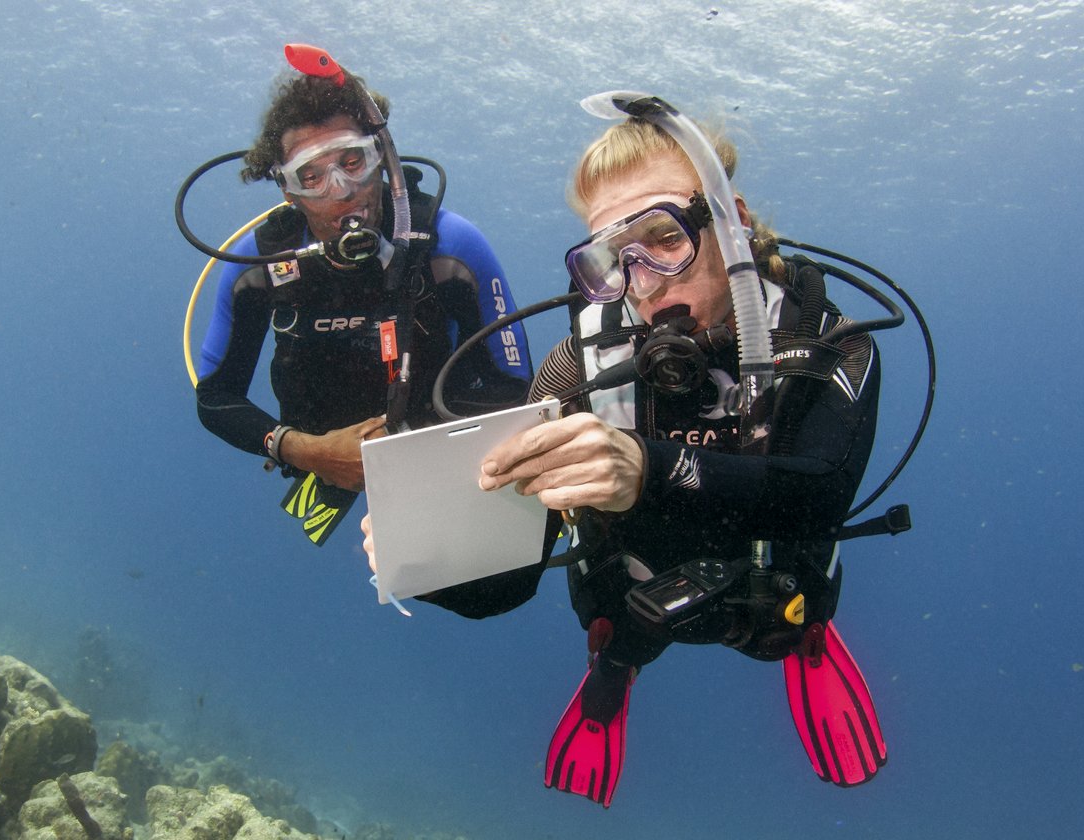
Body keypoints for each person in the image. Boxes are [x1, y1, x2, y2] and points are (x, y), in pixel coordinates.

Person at [363, 108, 890, 806]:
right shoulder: (574, 367)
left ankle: (810, 649)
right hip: (634, 599)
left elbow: (823, 493)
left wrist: (650, 466)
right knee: (618, 627)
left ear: (729, 222)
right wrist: (427, 561)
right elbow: (512, 580)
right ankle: (612, 673)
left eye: (664, 237)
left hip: (774, 600)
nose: (643, 282)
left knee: (790, 616)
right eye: (614, 258)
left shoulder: (833, 344)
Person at [194, 62, 532, 546]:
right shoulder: (258, 262)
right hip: (315, 453)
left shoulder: (449, 245)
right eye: (312, 176)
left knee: (488, 593)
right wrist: (303, 450)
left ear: (381, 159)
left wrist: (394, 449)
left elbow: (512, 383)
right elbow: (215, 397)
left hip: (436, 440)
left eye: (352, 162)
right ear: (288, 191)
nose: (341, 190)